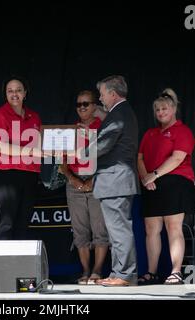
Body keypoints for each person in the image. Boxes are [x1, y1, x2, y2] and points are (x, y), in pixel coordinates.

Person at [137, 88, 195, 285]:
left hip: (175, 182)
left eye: (164, 109)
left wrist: (154, 174)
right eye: (157, 110)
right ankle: (152, 272)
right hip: (151, 183)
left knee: (173, 226)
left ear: (173, 109)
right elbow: (140, 157)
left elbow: (177, 157)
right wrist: (146, 178)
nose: (161, 113)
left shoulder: (183, 130)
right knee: (151, 228)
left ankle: (176, 271)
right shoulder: (150, 133)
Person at [91, 75, 139, 286]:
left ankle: (125, 274)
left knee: (119, 229)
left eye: (102, 94)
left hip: (115, 180)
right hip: (116, 181)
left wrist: (78, 152)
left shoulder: (119, 114)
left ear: (112, 93)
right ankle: (119, 272)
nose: (100, 99)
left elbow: (102, 146)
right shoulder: (120, 112)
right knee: (117, 230)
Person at [59, 90, 109, 285]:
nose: (82, 107)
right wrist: (73, 179)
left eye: (86, 104)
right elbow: (61, 161)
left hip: (98, 181)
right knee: (80, 231)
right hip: (74, 183)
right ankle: (85, 271)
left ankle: (97, 271)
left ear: (95, 106)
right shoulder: (70, 131)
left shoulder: (103, 129)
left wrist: (93, 180)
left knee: (100, 229)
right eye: (78, 104)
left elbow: (108, 159)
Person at [0, 75, 42, 240]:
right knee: (7, 223)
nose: (14, 94)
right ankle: (2, 265)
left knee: (23, 223)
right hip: (6, 174)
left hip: (30, 175)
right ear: (5, 94)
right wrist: (31, 152)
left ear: (25, 93)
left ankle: (19, 265)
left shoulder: (34, 116)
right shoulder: (0, 114)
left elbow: (40, 145)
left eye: (18, 90)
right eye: (10, 91)